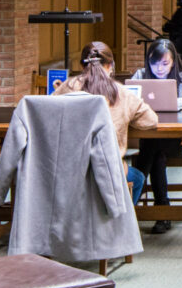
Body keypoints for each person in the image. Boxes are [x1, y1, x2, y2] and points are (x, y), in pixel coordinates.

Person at [52, 41, 156, 207]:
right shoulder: (121, 92)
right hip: (109, 170)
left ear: (82, 65)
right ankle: (120, 223)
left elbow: (49, 113)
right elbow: (151, 120)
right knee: (138, 178)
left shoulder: (68, 87)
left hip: (68, 169)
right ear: (110, 66)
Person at [130, 39, 182, 234]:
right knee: (155, 152)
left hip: (178, 141)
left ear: (174, 61)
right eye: (155, 63)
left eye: (165, 63)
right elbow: (127, 97)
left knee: (152, 149)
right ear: (148, 60)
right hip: (149, 138)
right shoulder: (140, 75)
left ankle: (134, 205)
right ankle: (162, 211)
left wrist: (177, 101)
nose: (159, 68)